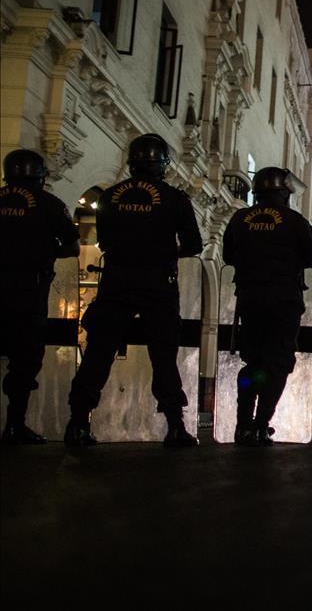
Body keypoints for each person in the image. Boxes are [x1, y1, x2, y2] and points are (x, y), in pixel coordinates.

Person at [66, 133, 202, 447]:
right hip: (158, 285)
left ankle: (77, 423)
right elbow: (193, 244)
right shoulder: (174, 198)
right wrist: (165, 252)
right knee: (164, 356)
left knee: (98, 353)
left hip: (116, 282)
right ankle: (175, 427)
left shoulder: (109, 196)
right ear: (163, 164)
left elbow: (104, 241)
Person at [223, 167, 312, 446]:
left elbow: (228, 254)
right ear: (284, 193)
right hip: (283, 301)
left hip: (250, 299)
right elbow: (310, 259)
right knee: (276, 364)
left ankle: (242, 425)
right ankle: (261, 424)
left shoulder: (240, 218)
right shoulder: (295, 221)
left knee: (252, 363)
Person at [0, 149, 80, 444]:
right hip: (28, 294)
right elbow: (72, 249)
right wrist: (45, 252)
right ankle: (14, 425)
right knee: (24, 359)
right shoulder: (50, 205)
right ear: (41, 175)